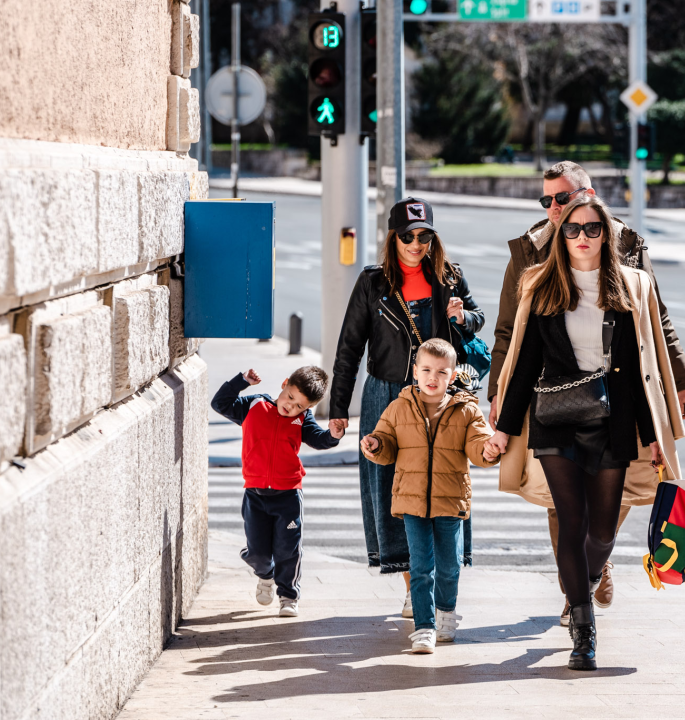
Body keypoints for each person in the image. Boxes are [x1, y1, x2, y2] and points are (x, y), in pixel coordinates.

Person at [487, 160, 685, 624]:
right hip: (554, 399)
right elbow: (509, 332)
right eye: (547, 200)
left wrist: (680, 380)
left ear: (589, 195)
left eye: (563, 198)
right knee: (561, 504)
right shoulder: (529, 252)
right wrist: (499, 391)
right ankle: (575, 598)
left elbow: (654, 319)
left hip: (619, 397)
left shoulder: (627, 245)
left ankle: (595, 562)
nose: (554, 208)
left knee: (614, 498)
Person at [330, 197, 484, 618]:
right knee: (393, 490)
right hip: (387, 395)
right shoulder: (373, 282)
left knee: (444, 483)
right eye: (408, 237)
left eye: (424, 237)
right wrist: (339, 407)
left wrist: (463, 318)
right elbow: (349, 349)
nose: (416, 244)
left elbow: (477, 319)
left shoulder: (450, 277)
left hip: (439, 396)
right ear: (393, 238)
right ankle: (414, 585)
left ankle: (439, 581)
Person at [360, 339, 498, 654]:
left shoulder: (466, 410)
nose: (432, 377)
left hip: (450, 500)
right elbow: (386, 441)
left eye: (441, 372)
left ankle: (446, 612)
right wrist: (376, 445)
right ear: (415, 372)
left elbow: (478, 445)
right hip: (411, 501)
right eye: (426, 370)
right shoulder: (399, 407)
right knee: (421, 567)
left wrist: (488, 451)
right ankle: (424, 627)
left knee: (449, 566)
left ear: (453, 376)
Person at [210, 365, 344, 617]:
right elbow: (220, 403)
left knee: (287, 550)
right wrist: (241, 381)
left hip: (288, 496)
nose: (291, 407)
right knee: (258, 552)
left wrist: (333, 435)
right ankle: (265, 575)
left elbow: (318, 438)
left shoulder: (302, 419)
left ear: (307, 408)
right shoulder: (254, 406)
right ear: (284, 384)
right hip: (255, 494)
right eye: (290, 397)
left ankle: (288, 596)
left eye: (299, 406)